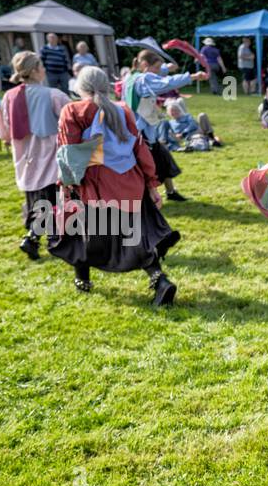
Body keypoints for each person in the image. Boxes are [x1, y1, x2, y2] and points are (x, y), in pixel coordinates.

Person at [53, 66, 180, 306]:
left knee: (81, 233)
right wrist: (151, 185)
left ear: (81, 87)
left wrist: (66, 185)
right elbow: (139, 149)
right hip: (129, 182)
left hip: (96, 186)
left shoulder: (73, 110)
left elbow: (67, 153)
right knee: (131, 237)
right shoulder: (123, 110)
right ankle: (159, 279)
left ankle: (83, 281)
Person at [0, 50, 72, 261]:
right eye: (42, 66)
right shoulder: (54, 95)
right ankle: (46, 238)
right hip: (49, 151)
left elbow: (3, 129)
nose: (44, 69)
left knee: (37, 197)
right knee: (51, 197)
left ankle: (35, 237)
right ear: (36, 70)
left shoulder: (9, 96)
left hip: (24, 152)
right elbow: (71, 119)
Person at [125, 49, 208, 200]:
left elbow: (155, 74)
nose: (158, 72)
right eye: (156, 67)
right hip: (142, 134)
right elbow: (165, 83)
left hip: (140, 131)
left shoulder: (131, 77)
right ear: (144, 64)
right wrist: (192, 76)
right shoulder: (143, 80)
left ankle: (170, 192)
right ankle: (149, 199)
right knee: (148, 167)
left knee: (162, 159)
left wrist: (165, 68)